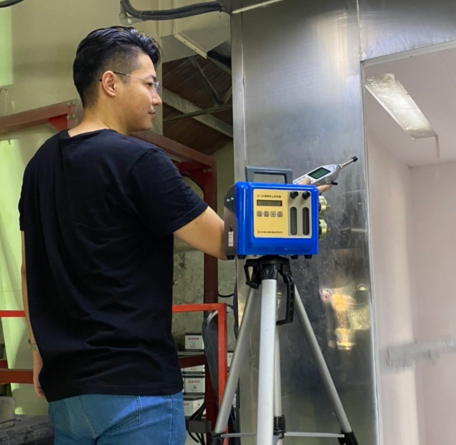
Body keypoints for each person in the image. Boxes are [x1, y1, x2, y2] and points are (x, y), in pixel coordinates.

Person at [19, 26, 331, 445]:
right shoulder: (141, 161)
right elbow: (225, 242)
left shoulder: (39, 165)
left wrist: (38, 351)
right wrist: (291, 201)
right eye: (149, 84)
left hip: (67, 393)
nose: (157, 98)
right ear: (110, 83)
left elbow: (30, 268)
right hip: (136, 393)